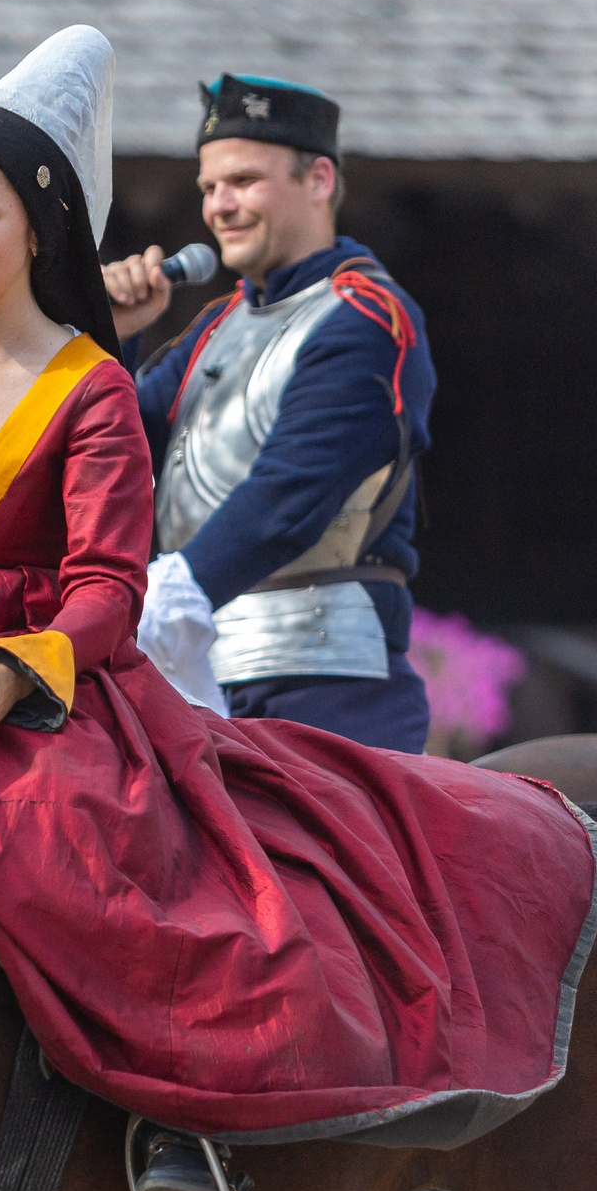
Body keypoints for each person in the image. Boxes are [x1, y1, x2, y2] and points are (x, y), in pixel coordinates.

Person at [0, 30, 597, 1191]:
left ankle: (182, 1110)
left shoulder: (351, 322)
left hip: (239, 642)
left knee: (110, 849)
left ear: (34, 226)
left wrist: (41, 655)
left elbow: (234, 513)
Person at [100, 76, 438, 753]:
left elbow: (290, 493)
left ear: (318, 179)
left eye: (243, 181)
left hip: (323, 680)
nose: (219, 206)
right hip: (190, 668)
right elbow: (111, 450)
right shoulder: (215, 326)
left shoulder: (367, 318)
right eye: (208, 188)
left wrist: (164, 598)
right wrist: (113, 339)